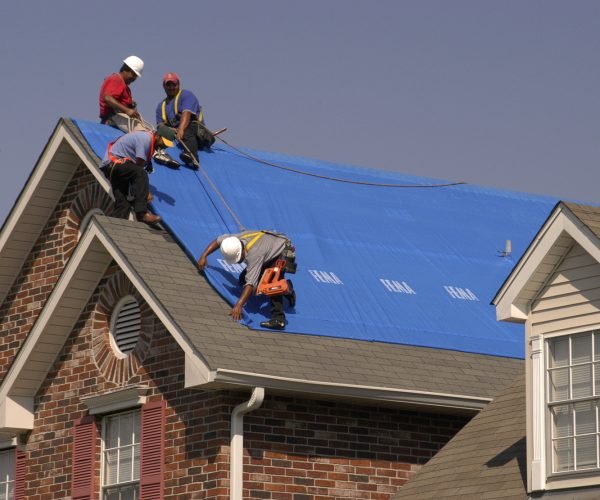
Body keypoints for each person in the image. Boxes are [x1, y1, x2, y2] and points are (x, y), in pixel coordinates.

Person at [197, 230, 296, 330]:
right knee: (242, 280)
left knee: (272, 284)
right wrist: (204, 255)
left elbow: (250, 283)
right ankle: (283, 286)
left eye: (239, 259)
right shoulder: (234, 241)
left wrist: (239, 305)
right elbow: (218, 241)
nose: (239, 262)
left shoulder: (254, 254)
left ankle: (279, 318)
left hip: (283, 251)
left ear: (242, 251)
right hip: (268, 249)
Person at [100, 126, 176, 224]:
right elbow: (138, 167)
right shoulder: (145, 139)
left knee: (123, 203)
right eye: (164, 143)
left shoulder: (150, 144)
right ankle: (142, 213)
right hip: (114, 163)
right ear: (157, 136)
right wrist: (145, 193)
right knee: (141, 174)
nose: (164, 147)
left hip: (113, 168)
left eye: (167, 145)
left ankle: (115, 226)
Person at [155, 72, 213, 167]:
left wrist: (181, 129)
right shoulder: (161, 106)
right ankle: (162, 156)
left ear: (178, 84)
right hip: (177, 136)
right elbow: (160, 126)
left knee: (187, 127)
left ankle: (192, 157)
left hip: (198, 134)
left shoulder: (186, 95)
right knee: (157, 133)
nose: (171, 87)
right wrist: (170, 130)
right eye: (168, 85)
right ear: (164, 86)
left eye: (173, 84)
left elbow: (187, 113)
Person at [99, 56, 148, 132]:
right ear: (126, 69)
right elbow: (107, 98)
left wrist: (131, 107)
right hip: (113, 118)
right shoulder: (116, 79)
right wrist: (127, 110)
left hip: (119, 119)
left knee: (150, 133)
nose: (134, 79)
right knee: (144, 134)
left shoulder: (125, 87)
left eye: (136, 77)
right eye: (134, 75)